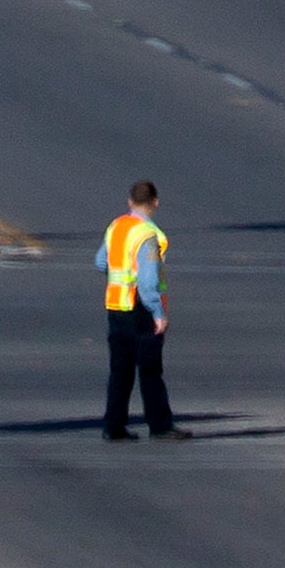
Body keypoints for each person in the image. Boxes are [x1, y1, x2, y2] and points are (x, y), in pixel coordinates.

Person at [102, 180, 183, 443]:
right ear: (155, 202)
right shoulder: (147, 235)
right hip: (140, 307)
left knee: (120, 371)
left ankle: (113, 426)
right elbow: (148, 282)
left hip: (116, 306)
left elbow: (101, 261)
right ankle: (160, 425)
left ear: (130, 202)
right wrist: (158, 313)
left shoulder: (117, 227)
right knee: (150, 369)